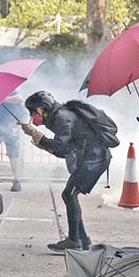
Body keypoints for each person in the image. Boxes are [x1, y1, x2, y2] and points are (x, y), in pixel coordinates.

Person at [20, 91, 112, 252]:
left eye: (33, 111)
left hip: (94, 158)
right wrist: (41, 142)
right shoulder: (58, 117)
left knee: (69, 194)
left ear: (42, 109)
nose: (32, 115)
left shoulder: (62, 117)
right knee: (70, 195)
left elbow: (60, 145)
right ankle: (82, 240)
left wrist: (36, 134)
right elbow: (66, 148)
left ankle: (74, 240)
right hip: (90, 157)